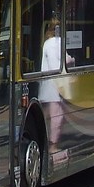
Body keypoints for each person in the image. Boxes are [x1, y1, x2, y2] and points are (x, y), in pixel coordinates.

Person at [39, 21, 74, 152]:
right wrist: (72, 60)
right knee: (57, 117)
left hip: (48, 86)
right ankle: (53, 146)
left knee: (50, 116)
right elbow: (57, 65)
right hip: (55, 86)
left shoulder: (47, 42)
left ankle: (48, 143)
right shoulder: (55, 42)